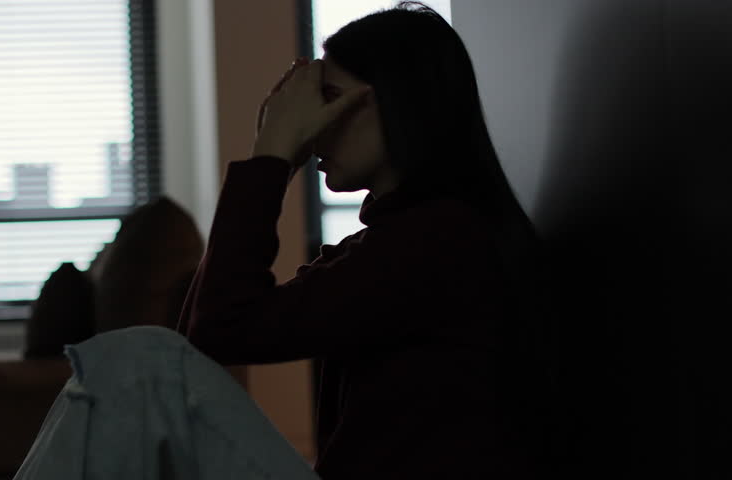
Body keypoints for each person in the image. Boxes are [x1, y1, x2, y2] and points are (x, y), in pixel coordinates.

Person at [178, 2, 553, 479]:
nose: (313, 128)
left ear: (397, 100)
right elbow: (197, 337)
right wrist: (275, 154)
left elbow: (218, 331)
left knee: (127, 372)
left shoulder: (436, 243)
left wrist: (272, 154)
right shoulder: (407, 238)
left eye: (328, 98)